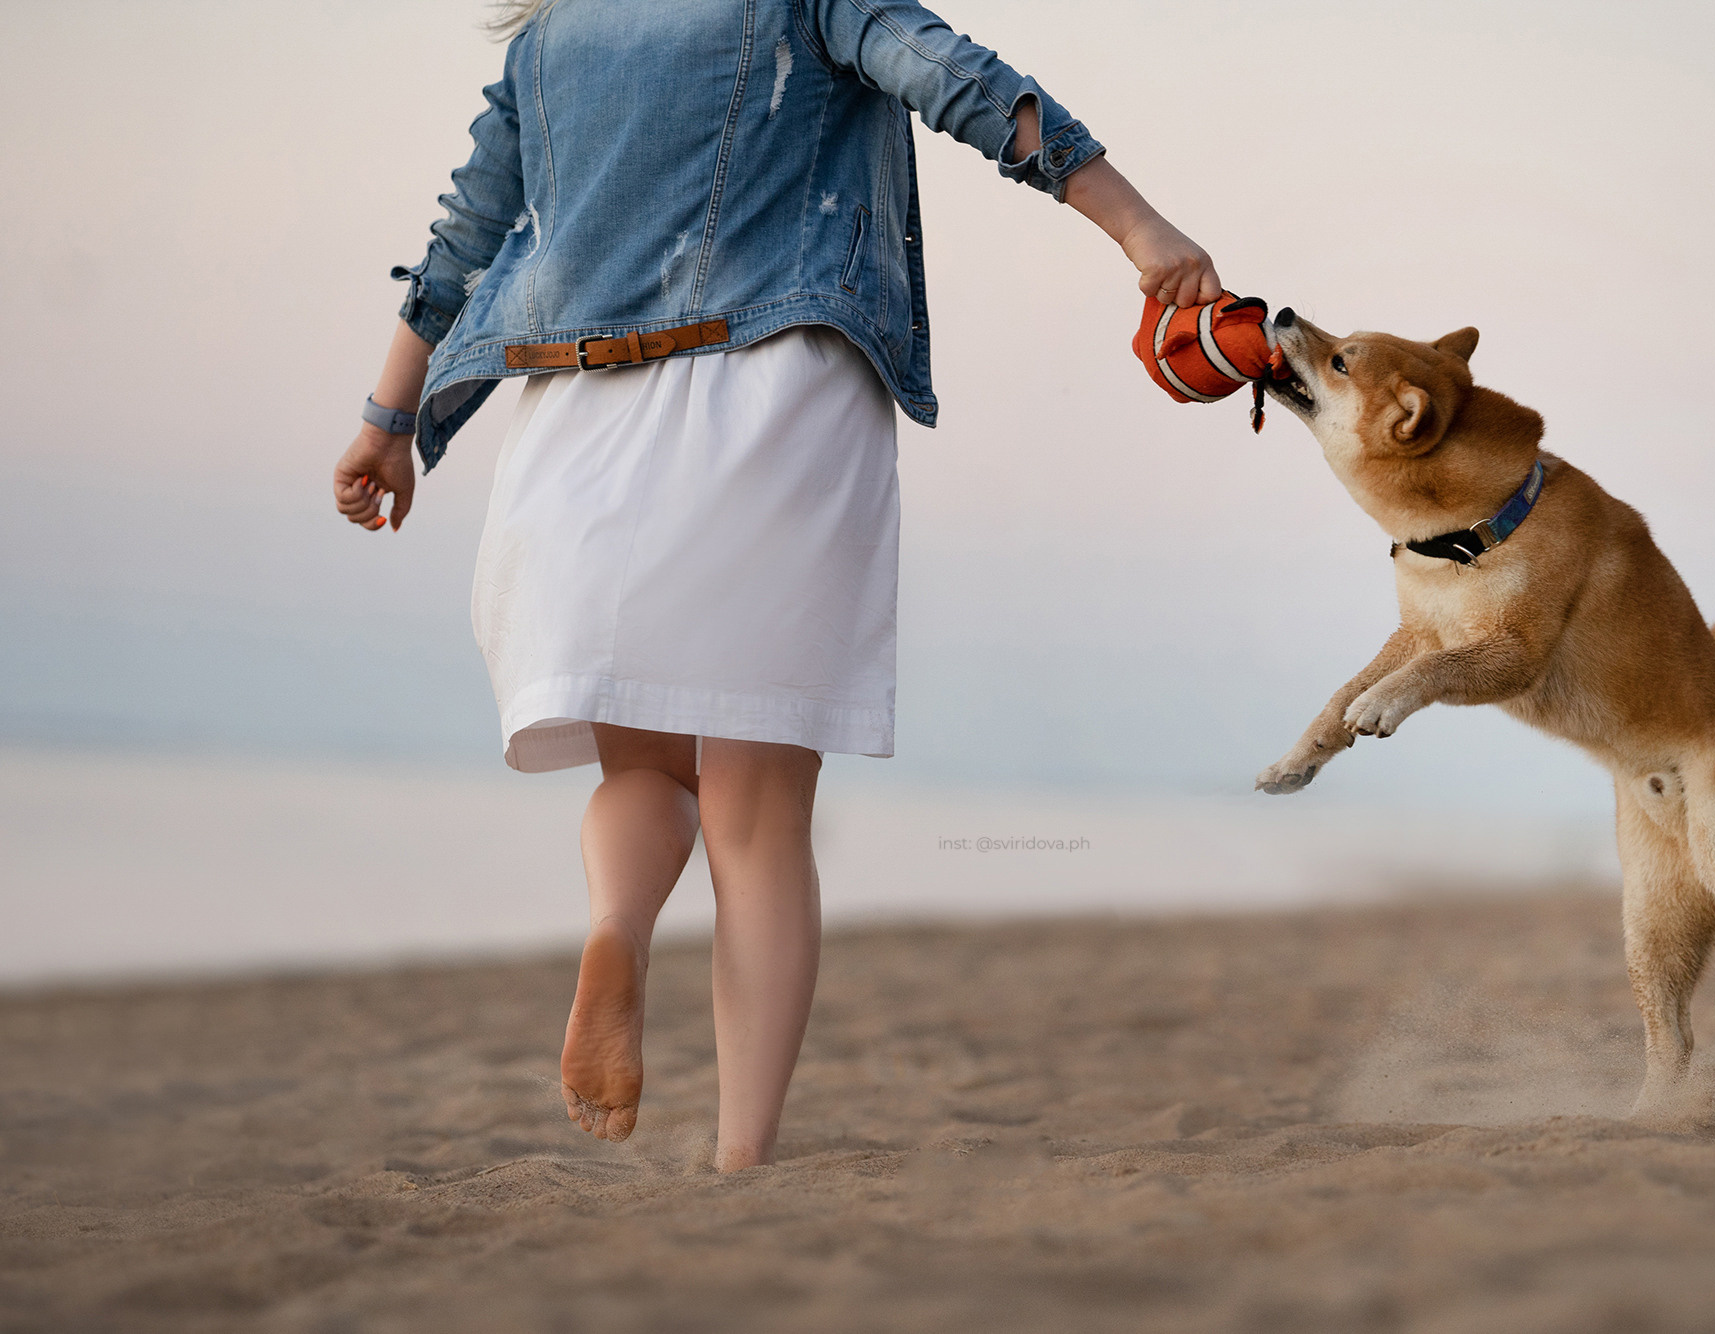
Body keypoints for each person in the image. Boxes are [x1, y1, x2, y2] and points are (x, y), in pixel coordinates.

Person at [331, 0, 1222, 1172]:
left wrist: (387, 422)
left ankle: (615, 926)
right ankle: (740, 1158)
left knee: (642, 768)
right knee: (757, 821)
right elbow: (958, 82)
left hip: (576, 426)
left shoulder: (548, 39)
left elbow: (465, 237)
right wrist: (1139, 230)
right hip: (769, 393)